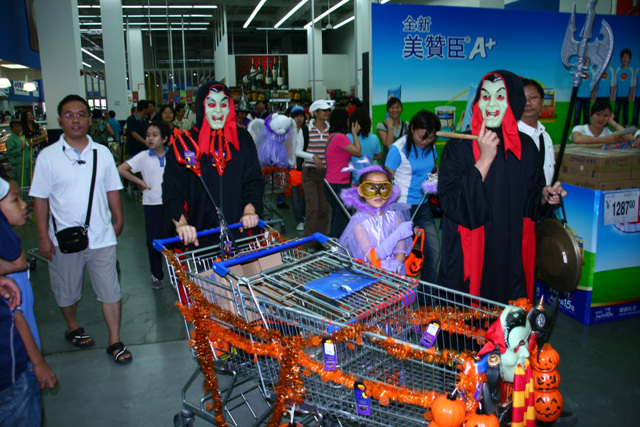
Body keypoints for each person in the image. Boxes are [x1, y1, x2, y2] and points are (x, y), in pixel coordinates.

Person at [438, 70, 565, 305]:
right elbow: (451, 202)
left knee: (509, 314)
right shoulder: (459, 145)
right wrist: (485, 159)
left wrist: (544, 197)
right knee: (467, 320)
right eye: (485, 96)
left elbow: (530, 200)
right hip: (473, 250)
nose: (491, 104)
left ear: (513, 102)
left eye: (500, 96)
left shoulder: (527, 147)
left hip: (510, 249)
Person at [29, 94, 131, 364]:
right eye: (69, 115)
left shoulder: (102, 153)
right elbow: (40, 199)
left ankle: (114, 340)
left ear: (89, 119)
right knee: (67, 290)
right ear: (59, 120)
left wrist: (118, 219)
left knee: (110, 290)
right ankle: (72, 325)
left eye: (81, 114)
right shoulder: (48, 157)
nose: (76, 120)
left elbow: (112, 188)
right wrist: (42, 236)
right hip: (63, 240)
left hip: (101, 237)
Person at [162, 81, 264, 248]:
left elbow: (253, 179)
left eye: (223, 104)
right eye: (211, 104)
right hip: (197, 236)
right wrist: (181, 223)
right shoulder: (184, 144)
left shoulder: (242, 139)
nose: (218, 111)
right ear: (201, 107)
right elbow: (171, 189)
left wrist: (250, 210)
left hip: (239, 231)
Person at [0, 175, 57, 404]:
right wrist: (38, 362)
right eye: (15, 200)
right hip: (22, 362)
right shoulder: (7, 274)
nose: (24, 205)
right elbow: (17, 317)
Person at [384, 110, 440, 284]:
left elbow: (434, 170)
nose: (425, 141)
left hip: (423, 206)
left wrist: (435, 182)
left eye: (430, 138)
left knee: (433, 252)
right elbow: (386, 183)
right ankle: (396, 294)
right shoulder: (397, 149)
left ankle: (427, 298)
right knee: (399, 256)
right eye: (421, 137)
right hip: (401, 208)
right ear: (412, 128)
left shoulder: (431, 147)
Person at [118, 122, 169, 290]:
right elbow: (121, 169)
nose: (150, 139)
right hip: (152, 204)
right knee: (153, 240)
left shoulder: (173, 155)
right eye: (148, 135)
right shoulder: (143, 156)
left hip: (171, 204)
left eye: (154, 135)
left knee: (175, 240)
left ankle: (179, 275)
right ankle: (156, 275)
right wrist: (140, 182)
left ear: (165, 138)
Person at [338, 165, 413, 275]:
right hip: (370, 275)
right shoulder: (358, 222)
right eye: (372, 188)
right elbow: (371, 257)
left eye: (383, 188)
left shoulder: (394, 217)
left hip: (395, 275)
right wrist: (397, 235)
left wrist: (396, 266)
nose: (378, 194)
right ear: (361, 191)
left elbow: (401, 252)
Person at [296, 100, 332, 247]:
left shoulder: (331, 130)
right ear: (315, 113)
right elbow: (298, 151)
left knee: (324, 207)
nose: (327, 112)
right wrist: (313, 156)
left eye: (328, 110)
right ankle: (309, 243)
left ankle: (321, 240)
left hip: (326, 173)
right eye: (324, 110)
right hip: (309, 172)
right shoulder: (305, 130)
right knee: (313, 207)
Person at [325, 108, 361, 237]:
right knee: (341, 219)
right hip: (338, 183)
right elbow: (358, 152)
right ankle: (336, 246)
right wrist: (355, 133)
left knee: (338, 216)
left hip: (332, 183)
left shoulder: (332, 136)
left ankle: (337, 244)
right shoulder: (340, 137)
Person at [518, 79, 555, 185]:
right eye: (522, 98)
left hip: (545, 194)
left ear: (542, 102)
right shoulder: (510, 136)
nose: (528, 103)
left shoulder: (545, 135)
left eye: (533, 97)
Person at [347, 108, 382, 183]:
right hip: (369, 177)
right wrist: (368, 155)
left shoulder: (347, 137)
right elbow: (379, 156)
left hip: (354, 178)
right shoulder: (374, 138)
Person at [377, 97, 410, 166]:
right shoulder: (381, 126)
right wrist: (389, 126)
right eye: (392, 107)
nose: (395, 110)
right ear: (388, 110)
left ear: (401, 109)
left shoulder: (407, 125)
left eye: (397, 107)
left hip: (403, 163)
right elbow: (390, 146)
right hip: (388, 163)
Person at [291, 106, 308, 231]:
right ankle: (299, 220)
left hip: (305, 166)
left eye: (301, 116)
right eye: (296, 116)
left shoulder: (307, 131)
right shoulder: (288, 132)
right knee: (295, 196)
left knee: (306, 195)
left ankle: (304, 216)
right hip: (292, 167)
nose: (299, 119)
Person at [611, 48, 635, 127]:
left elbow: (632, 84)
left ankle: (625, 125)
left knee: (625, 111)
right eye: (624, 57)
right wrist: (613, 94)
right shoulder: (618, 70)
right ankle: (615, 125)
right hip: (618, 96)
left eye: (627, 57)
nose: (625, 59)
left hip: (626, 96)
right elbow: (614, 83)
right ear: (621, 58)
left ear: (630, 59)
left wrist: (631, 94)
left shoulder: (631, 70)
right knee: (616, 111)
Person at [4, 120, 32, 187]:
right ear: (11, 128)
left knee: (28, 184)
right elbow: (10, 152)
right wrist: (20, 148)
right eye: (16, 127)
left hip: (27, 164)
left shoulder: (22, 137)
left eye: (20, 126)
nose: (19, 128)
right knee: (22, 184)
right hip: (19, 166)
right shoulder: (11, 140)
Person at [573, 58, 595, 126]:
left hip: (587, 95)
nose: (585, 60)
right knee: (577, 113)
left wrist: (593, 94)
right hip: (578, 95)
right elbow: (575, 83)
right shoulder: (578, 69)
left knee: (586, 112)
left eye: (587, 59)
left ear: (589, 60)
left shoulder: (592, 70)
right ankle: (576, 127)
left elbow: (594, 83)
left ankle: (586, 127)